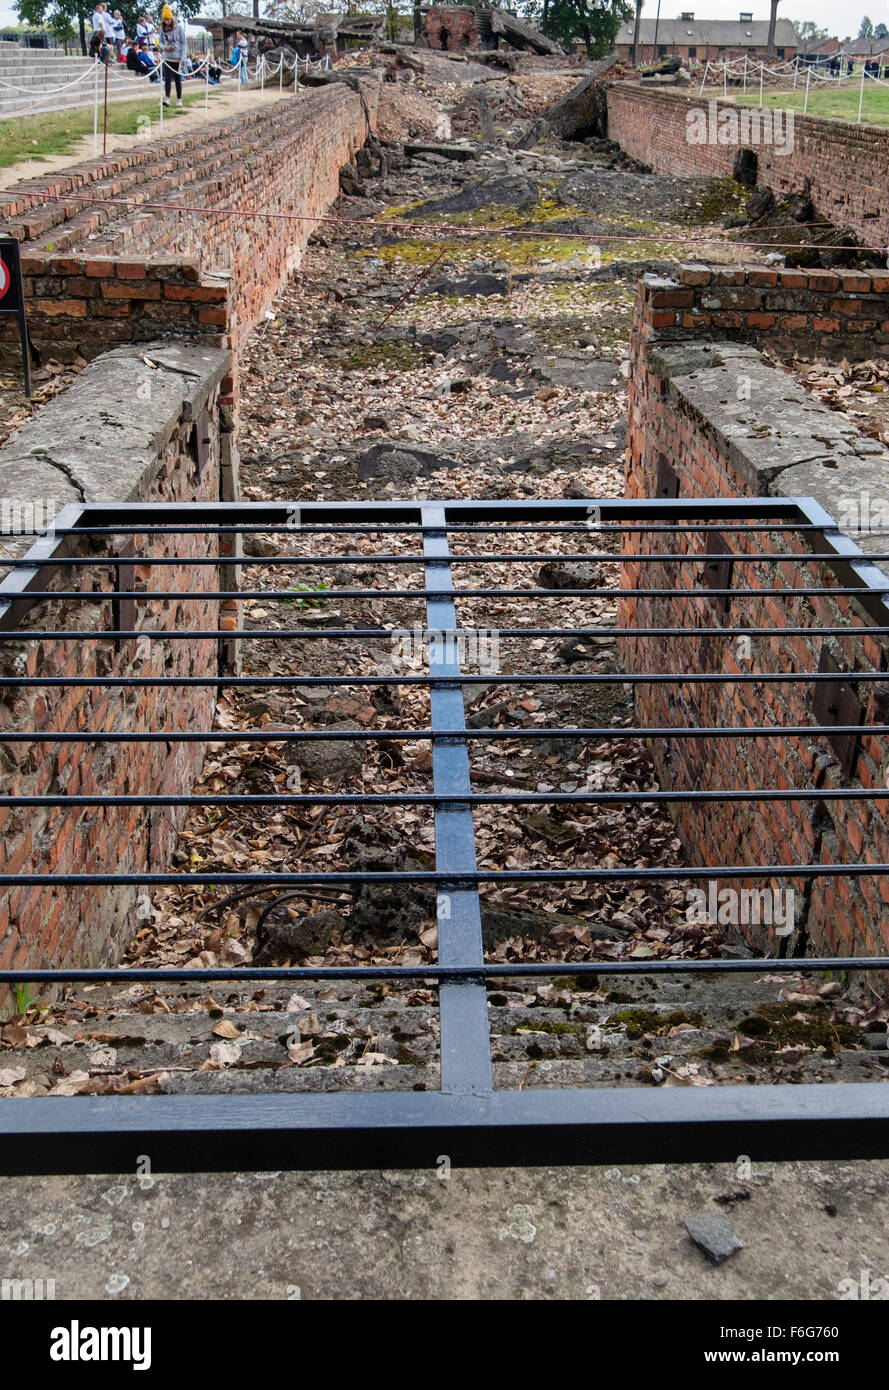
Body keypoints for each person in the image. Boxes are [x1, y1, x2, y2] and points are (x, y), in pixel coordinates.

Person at [159, 4, 188, 108]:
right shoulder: (162, 29)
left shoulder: (179, 28)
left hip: (177, 57)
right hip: (167, 57)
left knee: (177, 79)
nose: (167, 22)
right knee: (167, 78)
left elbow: (184, 43)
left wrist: (183, 58)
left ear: (171, 19)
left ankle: (179, 99)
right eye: (165, 20)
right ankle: (167, 99)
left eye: (168, 20)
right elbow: (160, 42)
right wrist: (164, 47)